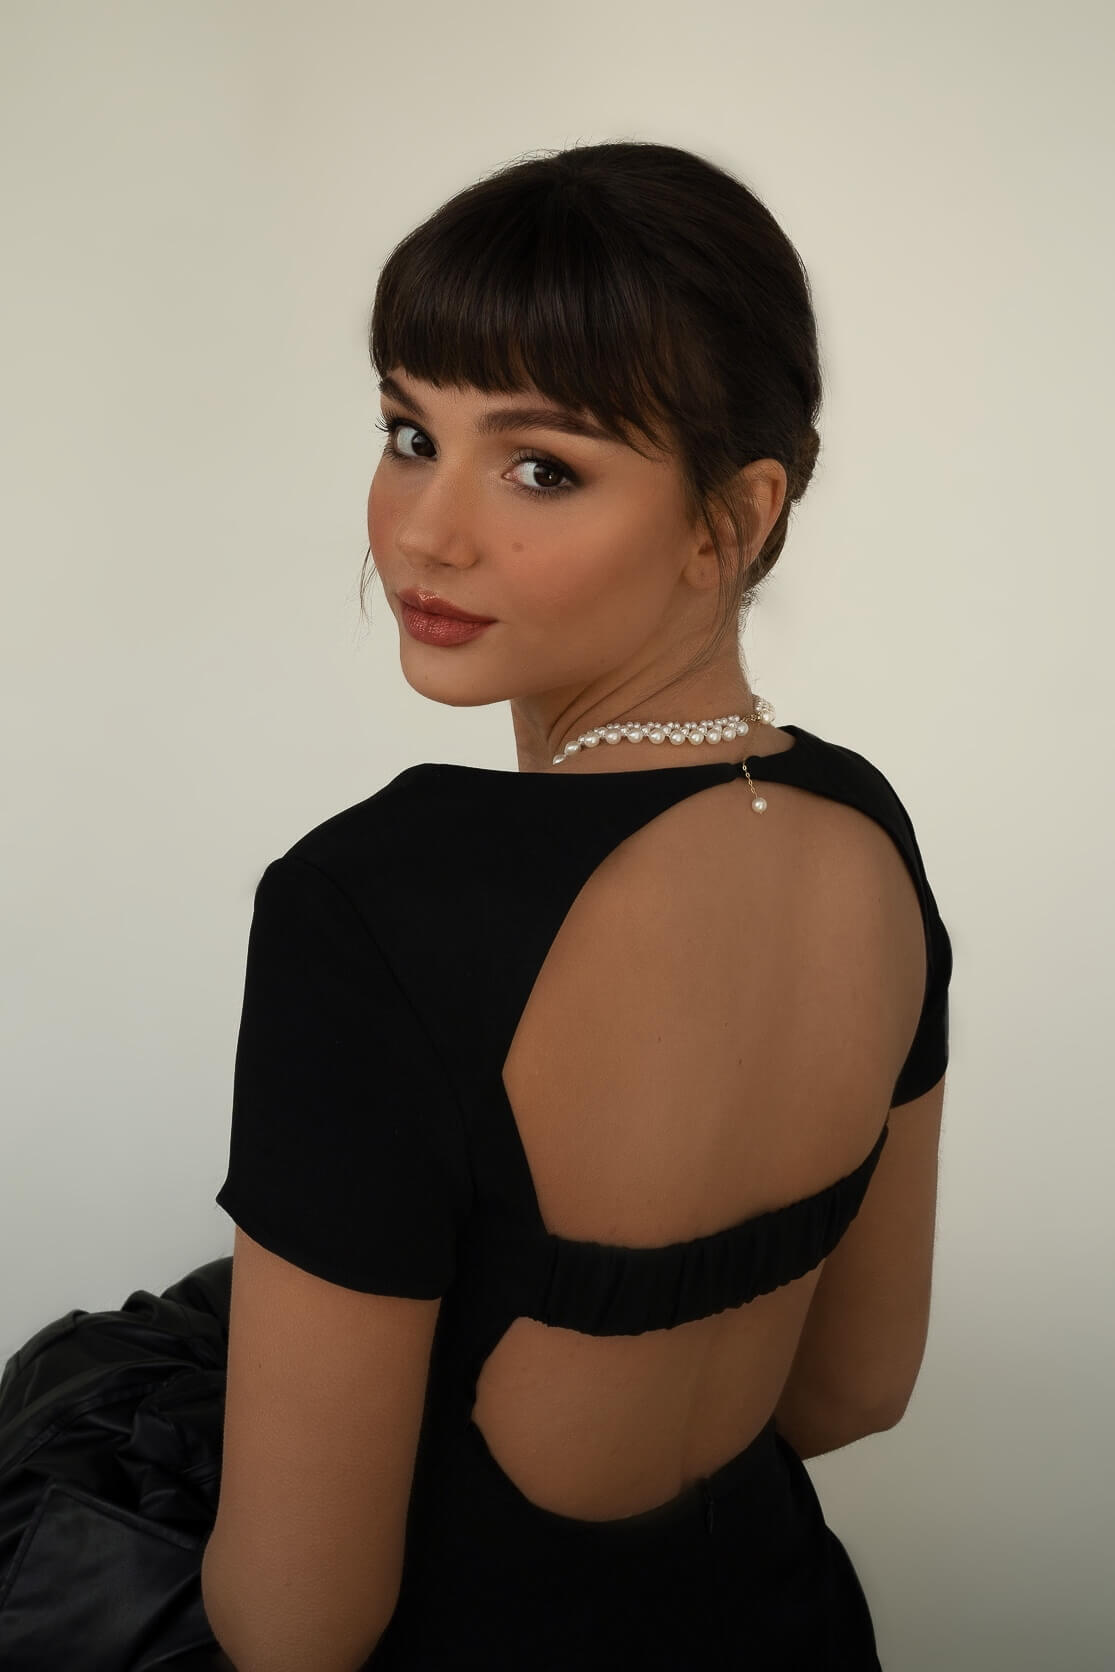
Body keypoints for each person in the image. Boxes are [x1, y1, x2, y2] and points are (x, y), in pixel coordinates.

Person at [208, 140, 952, 1669]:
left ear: (729, 522)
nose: (429, 531)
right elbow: (854, 1389)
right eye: (412, 432)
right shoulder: (867, 833)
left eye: (542, 466)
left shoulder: (372, 904)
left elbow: (294, 1627)